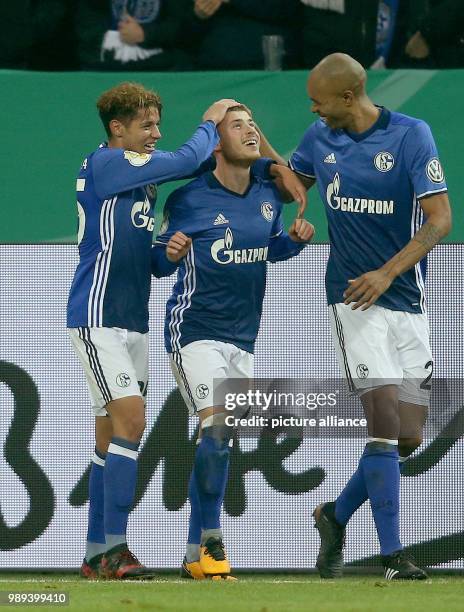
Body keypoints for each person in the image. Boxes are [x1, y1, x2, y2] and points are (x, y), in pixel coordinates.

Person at [66, 80, 243, 579]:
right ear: (116, 129)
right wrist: (210, 122)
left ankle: (96, 551)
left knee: (109, 436)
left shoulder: (137, 181)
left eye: (157, 124)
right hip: (97, 316)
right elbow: (186, 160)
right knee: (132, 421)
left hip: (132, 321)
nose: (155, 133)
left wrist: (164, 257)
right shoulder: (107, 164)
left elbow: (140, 261)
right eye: (146, 125)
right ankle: (117, 549)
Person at [286, 53, 451, 579]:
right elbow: (291, 182)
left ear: (349, 97)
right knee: (381, 428)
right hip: (352, 301)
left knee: (407, 437)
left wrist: (387, 272)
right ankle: (393, 557)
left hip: (405, 300)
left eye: (319, 100)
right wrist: (289, 204)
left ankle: (333, 516)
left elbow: (440, 219)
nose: (313, 109)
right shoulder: (318, 139)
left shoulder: (410, 135)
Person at [151, 105, 314, 579]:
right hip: (194, 333)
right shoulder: (189, 198)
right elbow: (159, 264)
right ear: (216, 142)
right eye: (237, 125)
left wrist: (294, 241)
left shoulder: (267, 196)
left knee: (217, 440)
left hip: (243, 339)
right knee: (218, 425)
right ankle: (212, 539)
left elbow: (269, 248)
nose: (251, 131)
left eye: (254, 125)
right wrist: (171, 253)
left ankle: (191, 557)